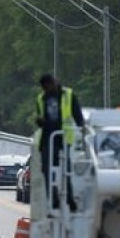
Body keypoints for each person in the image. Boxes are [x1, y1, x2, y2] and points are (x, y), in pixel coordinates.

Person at [35, 74, 84, 208]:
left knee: (66, 168)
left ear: (53, 83)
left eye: (48, 86)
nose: (46, 89)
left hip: (63, 136)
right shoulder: (41, 98)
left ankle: (70, 198)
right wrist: (40, 122)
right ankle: (53, 199)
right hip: (47, 137)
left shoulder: (68, 94)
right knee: (46, 169)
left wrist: (82, 130)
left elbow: (77, 114)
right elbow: (41, 116)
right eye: (44, 88)